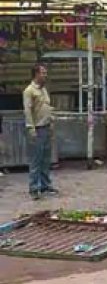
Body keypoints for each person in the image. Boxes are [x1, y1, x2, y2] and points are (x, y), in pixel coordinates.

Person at [23, 63, 56, 200]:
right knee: (36, 159)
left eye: (45, 72)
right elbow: (27, 110)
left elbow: (46, 106)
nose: (45, 75)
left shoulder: (43, 89)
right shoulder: (29, 91)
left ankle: (45, 185)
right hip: (37, 128)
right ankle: (34, 188)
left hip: (47, 126)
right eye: (43, 72)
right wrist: (31, 128)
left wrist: (51, 118)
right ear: (36, 74)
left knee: (46, 159)